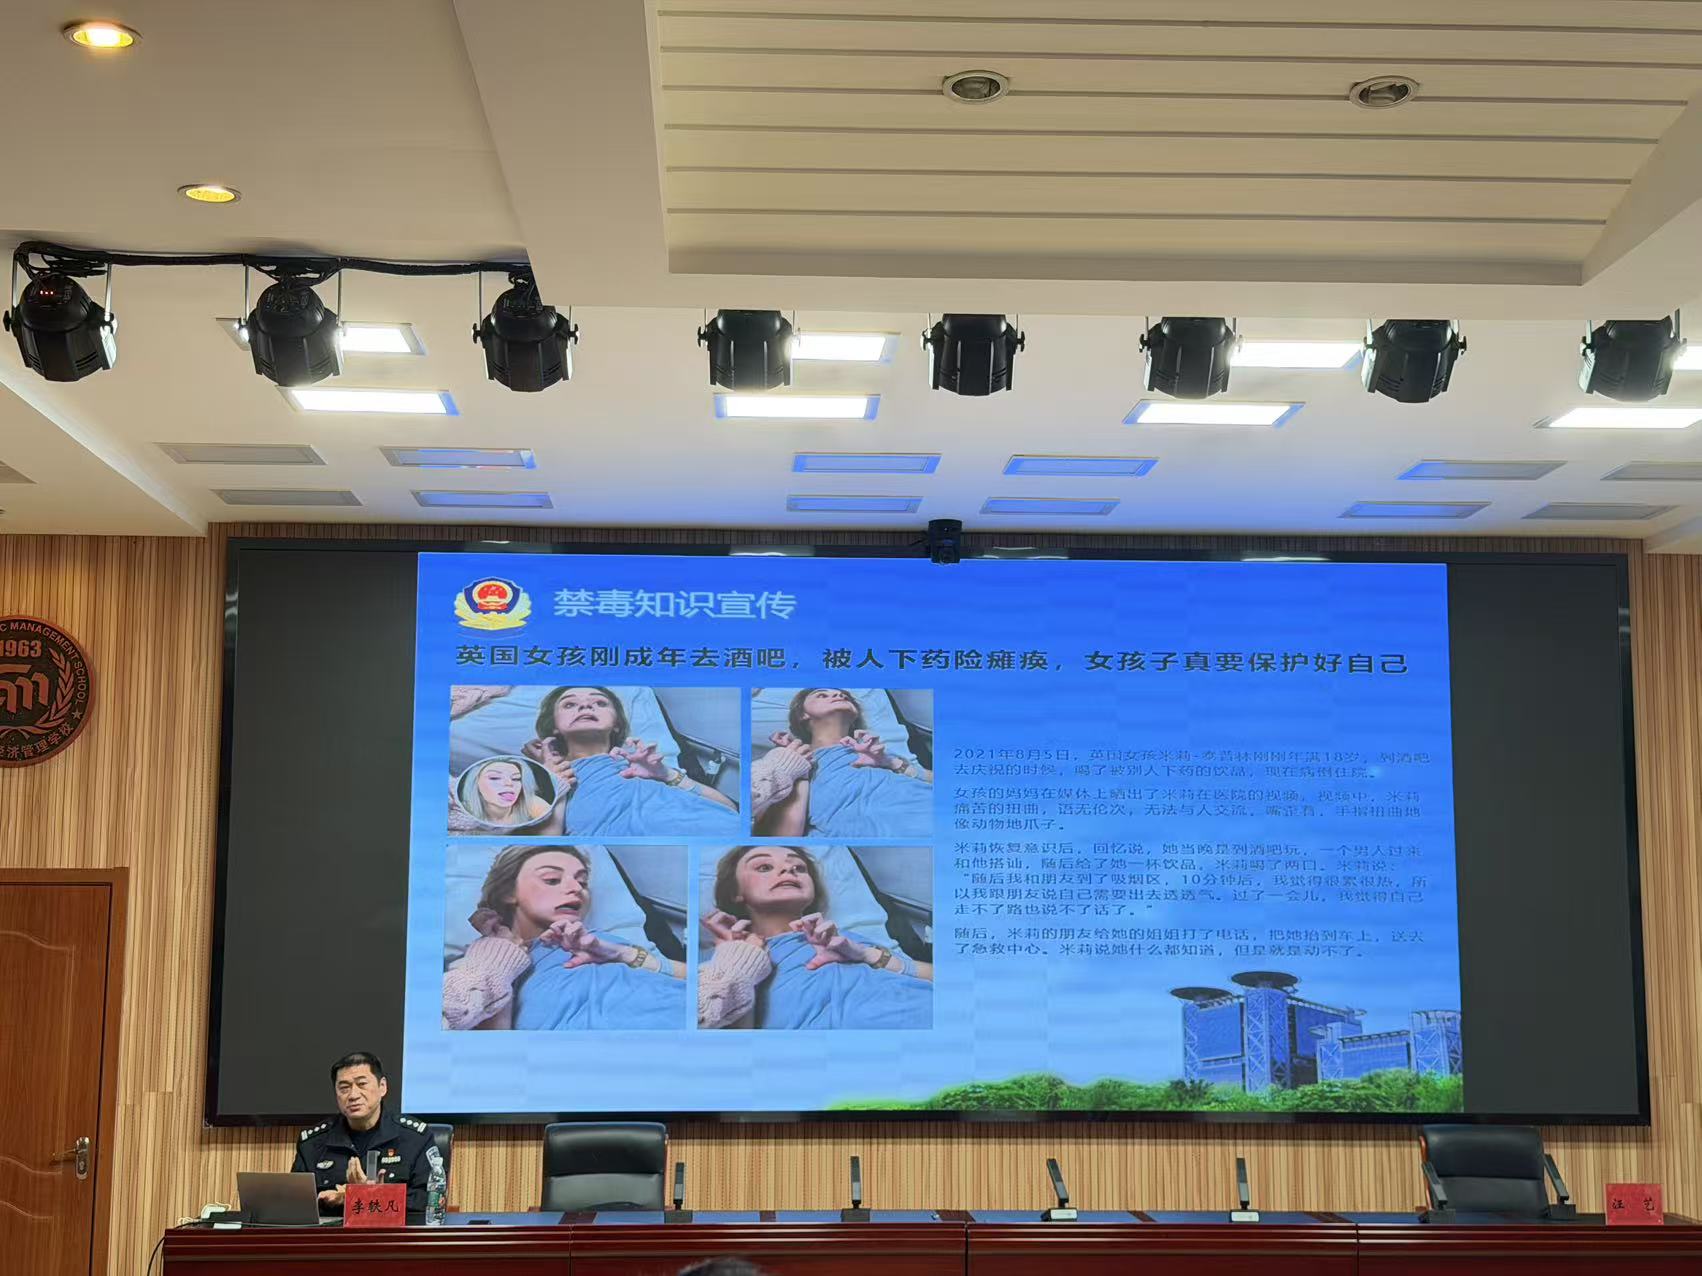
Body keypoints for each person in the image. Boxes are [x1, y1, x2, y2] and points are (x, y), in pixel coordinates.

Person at [443, 844, 685, 1030]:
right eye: (552, 880)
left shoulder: (599, 941)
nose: (577, 888)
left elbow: (698, 981)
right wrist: (501, 955)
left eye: (583, 882)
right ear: (508, 892)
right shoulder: (477, 966)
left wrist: (623, 954)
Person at [697, 846, 932, 1030]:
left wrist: (866, 954)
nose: (789, 870)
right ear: (736, 892)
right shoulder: (720, 968)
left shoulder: (841, 939)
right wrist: (741, 964)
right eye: (764, 867)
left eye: (799, 867)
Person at [515, 686, 741, 836]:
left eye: (600, 703)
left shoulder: (640, 763)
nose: (585, 706)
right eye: (569, 704)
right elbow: (547, 843)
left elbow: (729, 809)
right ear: (554, 726)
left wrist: (667, 774)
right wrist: (553, 784)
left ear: (617, 724)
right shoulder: (544, 779)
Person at [753, 689, 932, 838]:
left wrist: (890, 762)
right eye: (822, 695)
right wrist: (797, 767)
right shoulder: (787, 764)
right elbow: (782, 837)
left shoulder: (872, 748)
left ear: (854, 716)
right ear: (803, 714)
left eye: (844, 696)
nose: (838, 695)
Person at [291, 1052, 434, 1213]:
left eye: (362, 1084)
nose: (353, 1095)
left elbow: (428, 1200)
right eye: (344, 1088)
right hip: (333, 1228)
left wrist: (372, 1195)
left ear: (382, 1087)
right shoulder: (312, 1143)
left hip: (392, 1229)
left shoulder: (415, 1138)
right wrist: (331, 1202)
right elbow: (296, 1204)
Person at [455, 756, 552, 828]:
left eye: (516, 778)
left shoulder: (531, 803)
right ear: (476, 784)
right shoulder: (460, 811)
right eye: (495, 778)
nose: (509, 783)